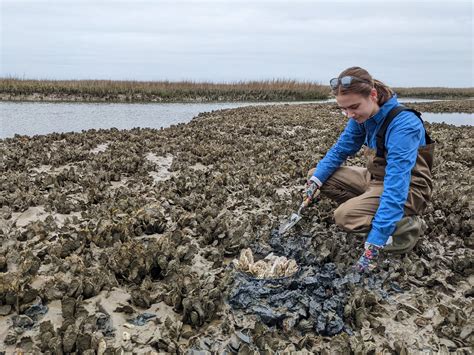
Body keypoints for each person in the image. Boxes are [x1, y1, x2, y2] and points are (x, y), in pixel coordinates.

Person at [305, 66, 435, 272]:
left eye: (353, 107)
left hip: (409, 187)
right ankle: (369, 209)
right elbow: (340, 149)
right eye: (343, 109)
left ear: (373, 95)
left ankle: (405, 226)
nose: (349, 114)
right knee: (317, 175)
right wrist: (314, 183)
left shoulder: (404, 124)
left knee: (344, 216)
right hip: (373, 178)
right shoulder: (362, 117)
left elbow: (396, 185)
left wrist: (375, 241)